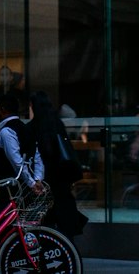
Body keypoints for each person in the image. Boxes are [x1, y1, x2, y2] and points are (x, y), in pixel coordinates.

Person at [29, 91, 87, 237]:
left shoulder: (32, 127)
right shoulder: (57, 124)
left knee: (44, 218)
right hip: (61, 176)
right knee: (64, 216)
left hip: (44, 178)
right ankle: (67, 249)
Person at [0, 94, 44, 209]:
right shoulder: (26, 129)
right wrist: (37, 179)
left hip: (11, 188)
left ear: (3, 110)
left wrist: (32, 183)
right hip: (23, 188)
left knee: (2, 218)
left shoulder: (6, 131)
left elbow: (16, 161)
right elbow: (37, 157)